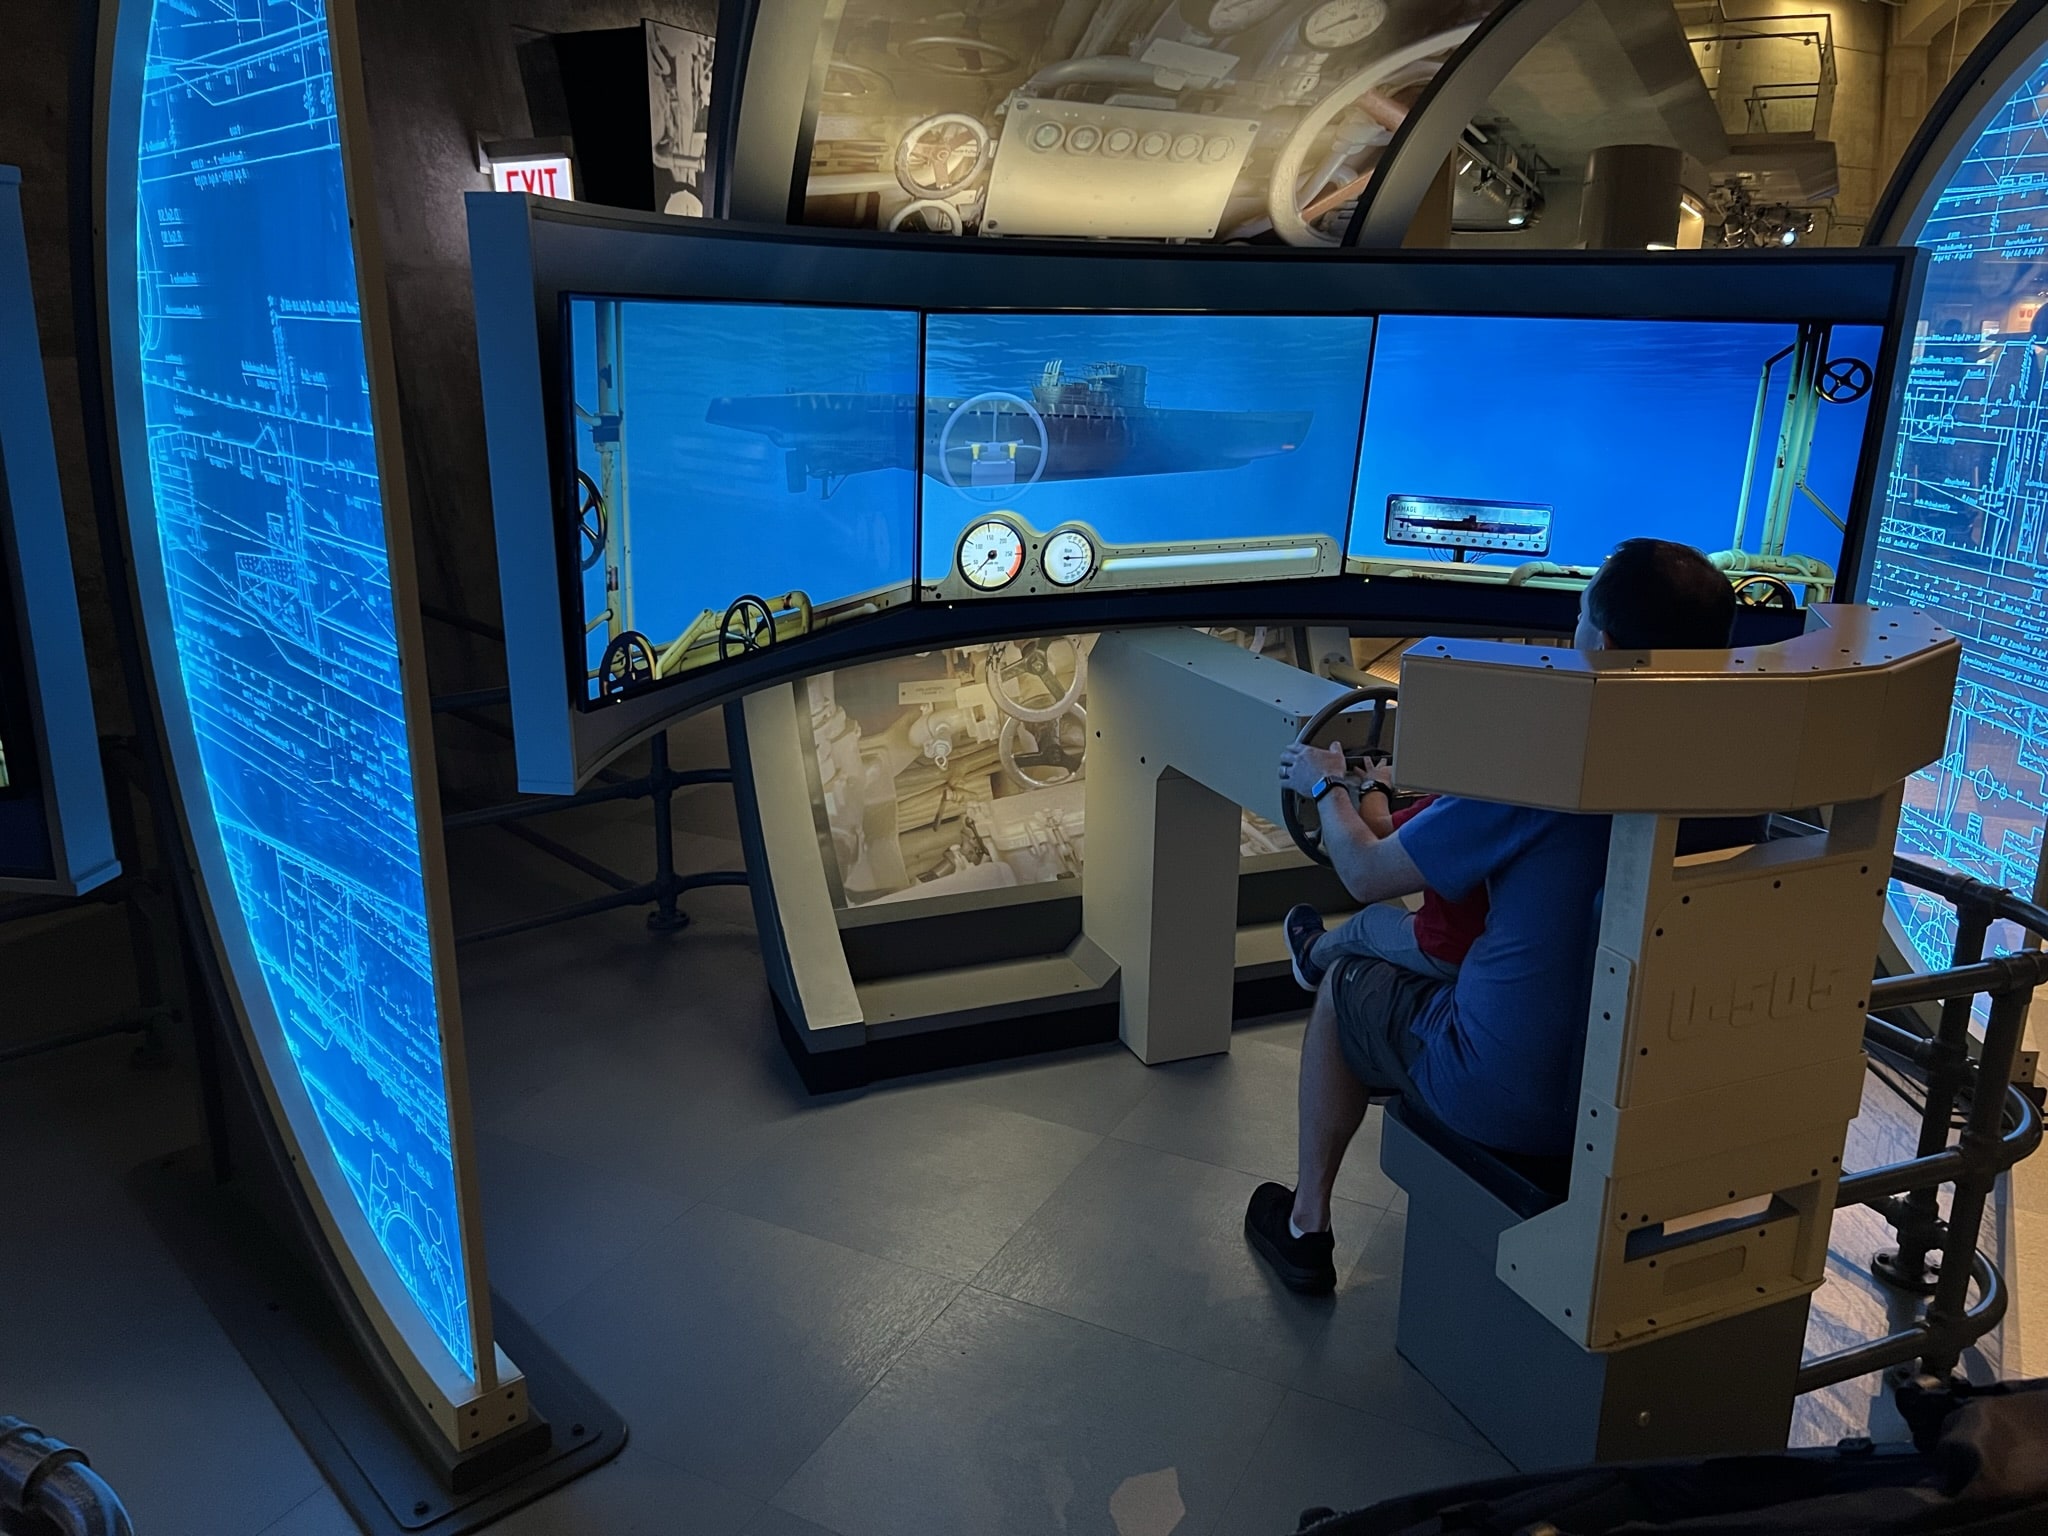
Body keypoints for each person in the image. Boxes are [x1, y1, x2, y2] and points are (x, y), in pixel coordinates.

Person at [1245, 538, 1738, 1295]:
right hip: (1657, 1094)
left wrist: (1326, 786)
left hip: (1514, 1096)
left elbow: (1368, 874)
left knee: (1345, 984)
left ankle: (1306, 1227)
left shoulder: (1547, 767)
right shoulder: (1739, 768)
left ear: (1603, 648)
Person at [1280, 779, 1488, 988]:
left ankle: (1310, 954)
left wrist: (1371, 785)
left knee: (1366, 924)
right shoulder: (1496, 794)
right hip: (1487, 941)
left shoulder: (1459, 804)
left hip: (1452, 949)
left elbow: (1368, 860)